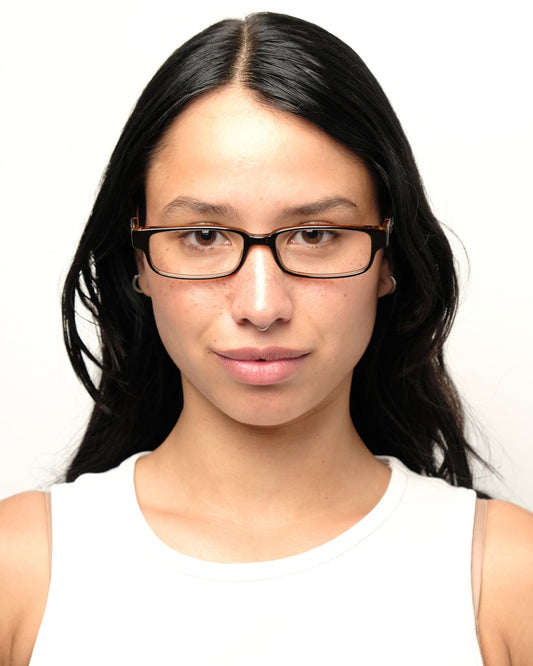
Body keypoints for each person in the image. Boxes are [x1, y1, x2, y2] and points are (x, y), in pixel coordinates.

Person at [1, 11, 532, 666]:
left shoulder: (507, 578)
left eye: (314, 234)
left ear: (388, 257)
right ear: (138, 257)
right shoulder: (19, 570)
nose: (260, 306)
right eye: (203, 235)